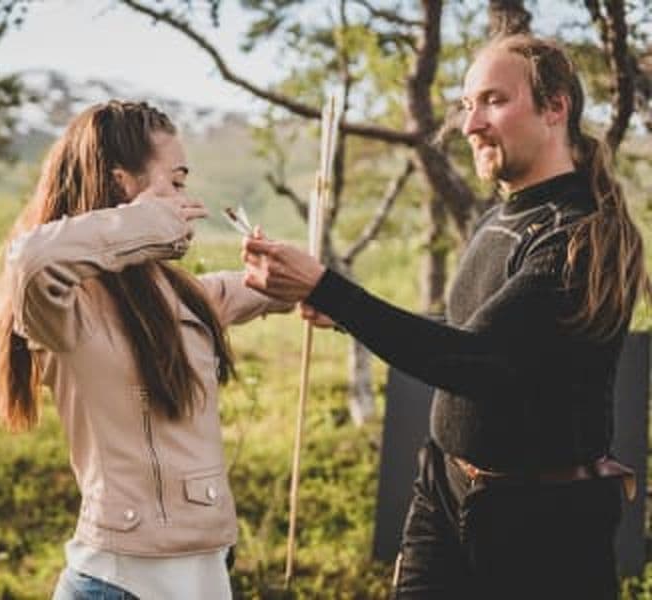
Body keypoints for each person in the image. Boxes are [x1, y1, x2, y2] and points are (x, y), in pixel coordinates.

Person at [242, 34, 650, 600]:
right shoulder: (502, 214)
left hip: (543, 528)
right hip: (445, 490)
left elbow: (477, 359)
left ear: (556, 106)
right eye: (466, 105)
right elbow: (466, 325)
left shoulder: (577, 235)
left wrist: (328, 289)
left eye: (492, 101)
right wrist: (342, 313)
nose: (469, 125)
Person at [0, 100, 290, 600]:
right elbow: (32, 260)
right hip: (116, 582)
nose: (189, 203)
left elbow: (253, 288)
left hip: (205, 576)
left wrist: (305, 285)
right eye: (177, 182)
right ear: (124, 185)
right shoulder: (63, 307)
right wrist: (147, 225)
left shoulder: (177, 294)